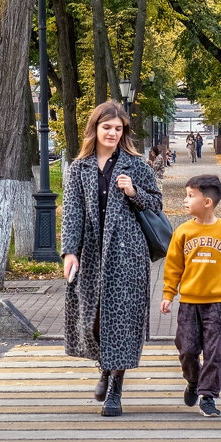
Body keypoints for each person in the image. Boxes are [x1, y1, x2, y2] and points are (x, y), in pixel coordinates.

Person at [61, 100, 162, 417]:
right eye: (107, 127)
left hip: (127, 253)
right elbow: (73, 213)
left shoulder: (136, 164)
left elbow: (156, 204)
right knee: (92, 321)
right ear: (95, 128)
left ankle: (115, 389)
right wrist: (69, 252)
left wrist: (134, 192)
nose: (113, 133)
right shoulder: (79, 168)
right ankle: (104, 367)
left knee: (121, 322)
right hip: (91, 254)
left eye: (118, 129)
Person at [160, 174, 221, 417]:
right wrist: (169, 293)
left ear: (207, 202)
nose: (185, 201)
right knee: (187, 350)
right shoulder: (183, 231)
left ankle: (207, 395)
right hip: (188, 303)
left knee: (214, 351)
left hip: (216, 304)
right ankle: (193, 380)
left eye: (190, 196)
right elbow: (173, 266)